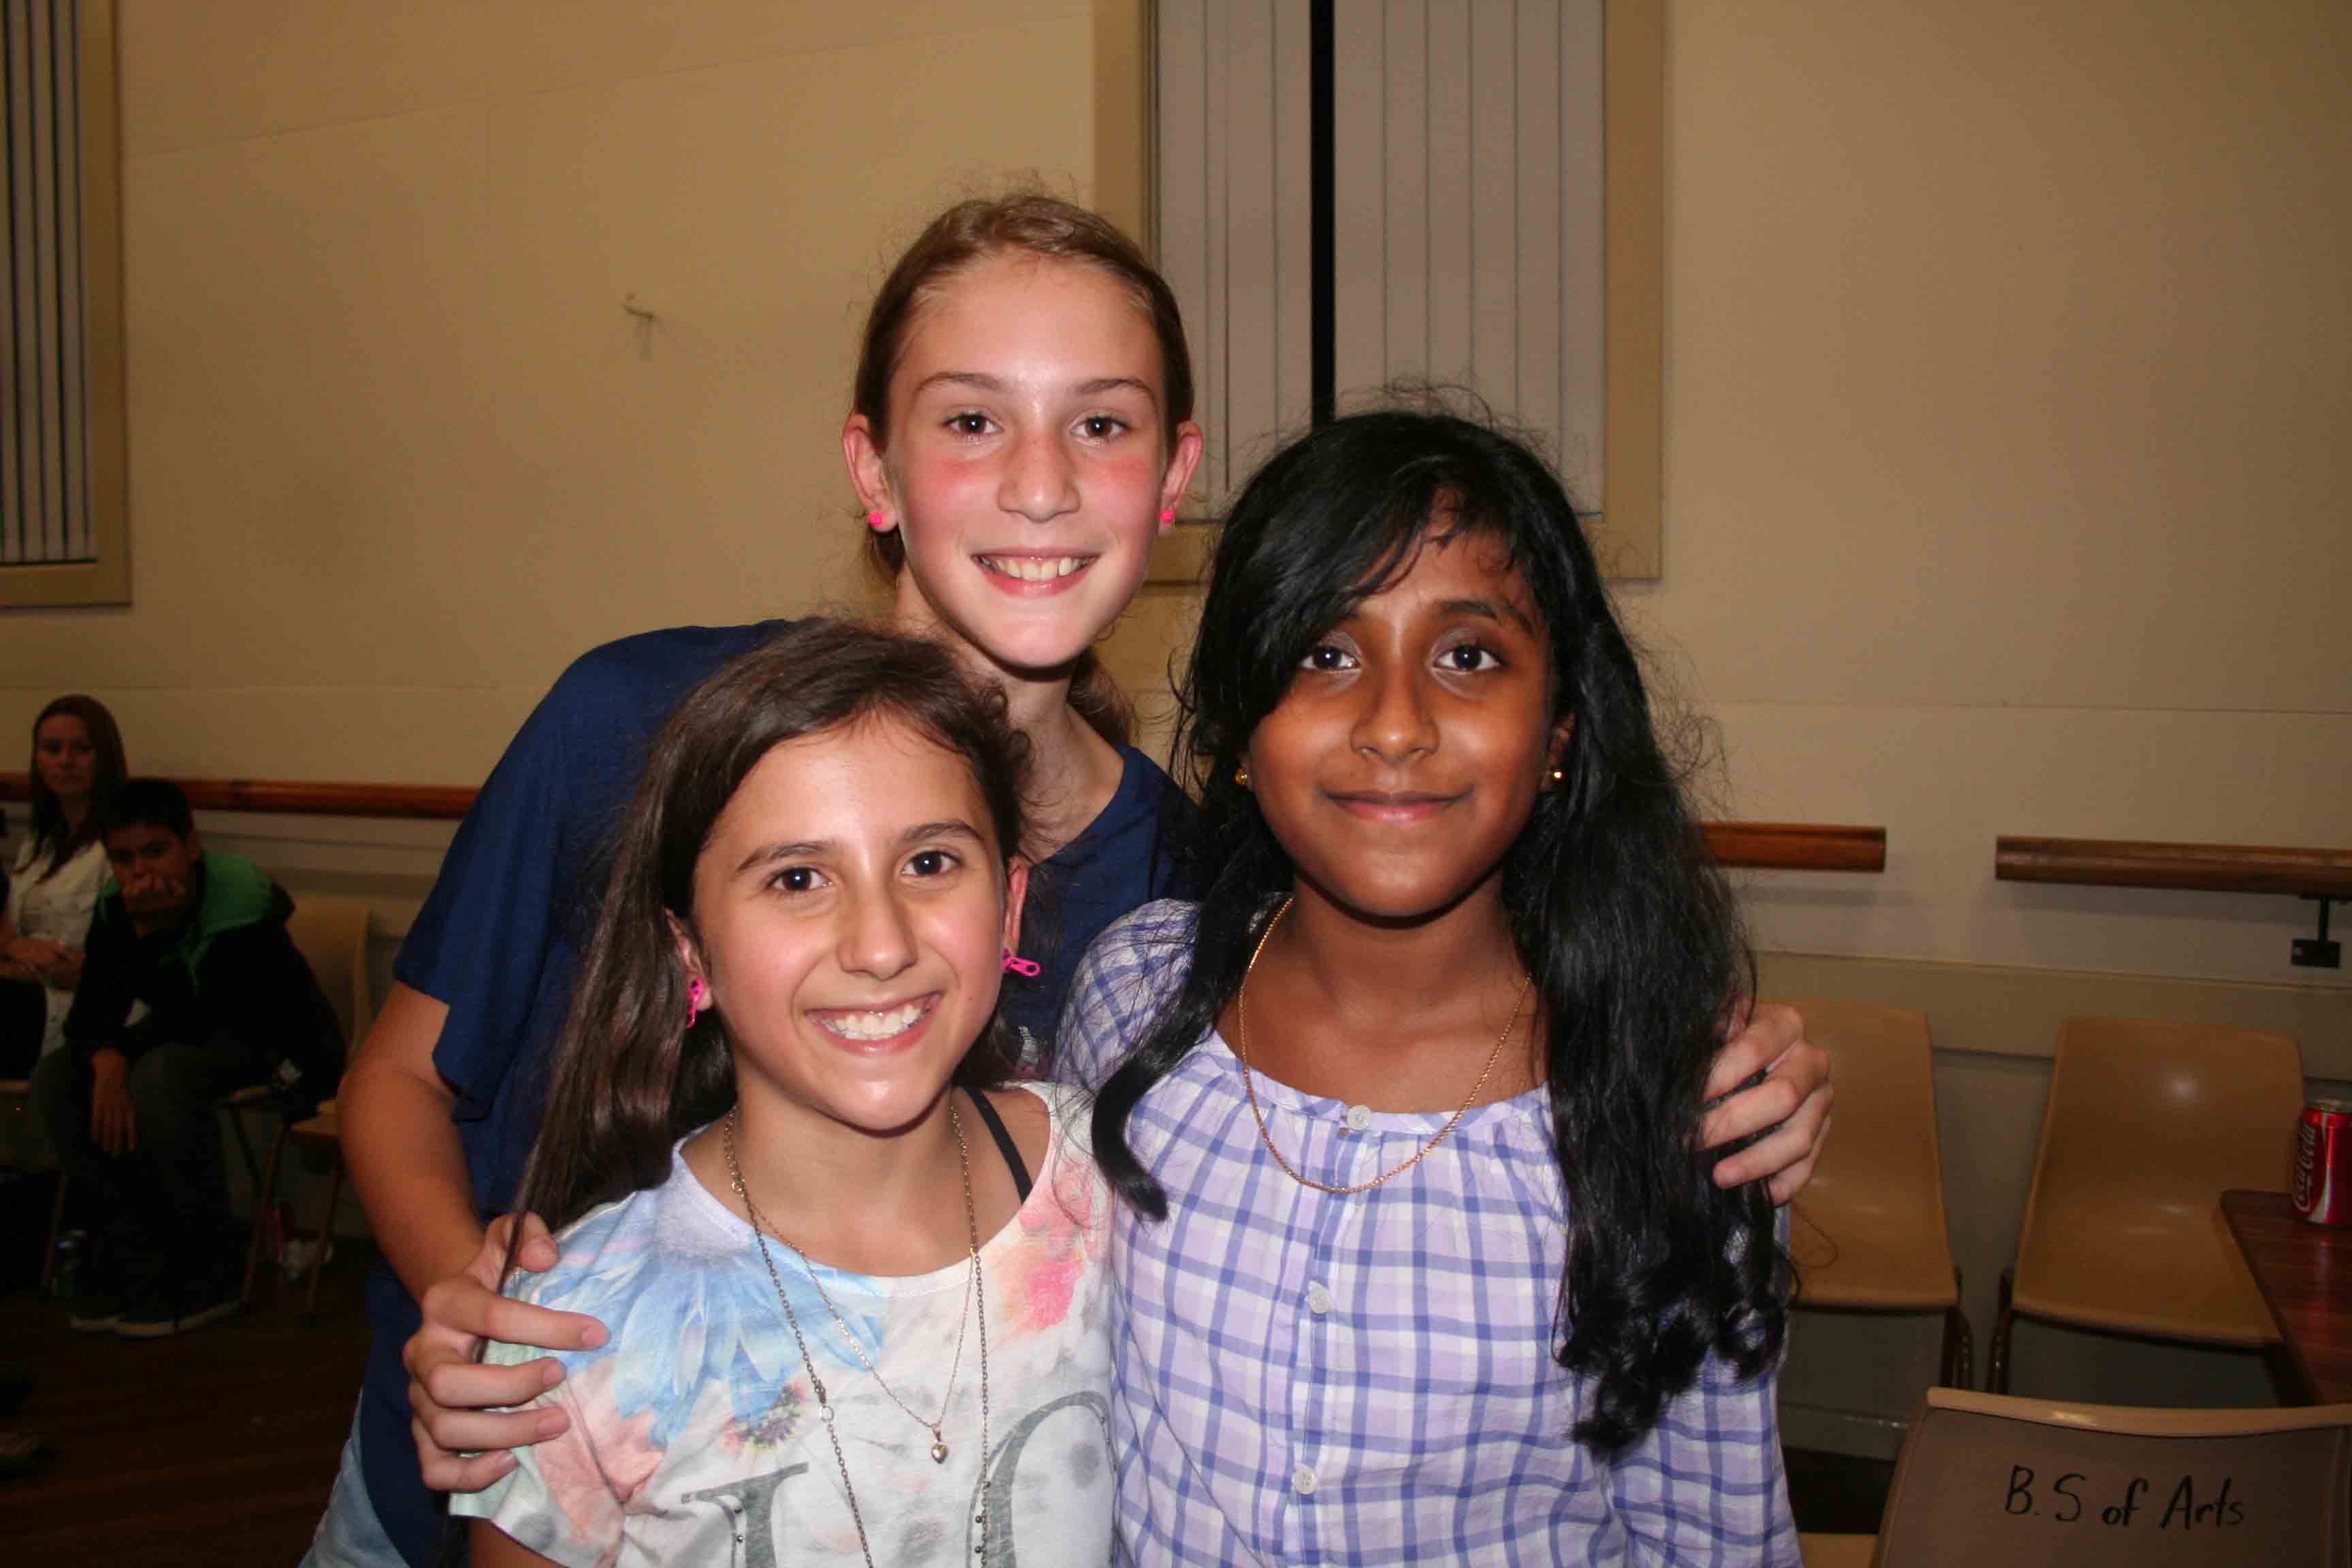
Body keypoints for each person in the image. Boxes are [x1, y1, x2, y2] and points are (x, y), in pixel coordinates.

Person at [318, 195, 1829, 1566]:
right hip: (492, 1467)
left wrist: (1693, 1049)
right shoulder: (635, 724)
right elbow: (398, 1081)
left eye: (1100, 425)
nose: (1039, 485)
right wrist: (489, 1324)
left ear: (1172, 479)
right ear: (874, 467)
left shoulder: (1182, 899)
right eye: (972, 420)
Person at [1065, 406, 1802, 1561]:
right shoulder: (1132, 997)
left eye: (1468, 656)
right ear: (1240, 731)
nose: (1397, 725)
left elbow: (1710, 1533)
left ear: (1560, 726)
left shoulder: (1672, 1110)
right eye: (1324, 653)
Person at [455, 621, 1115, 1565]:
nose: (880, 945)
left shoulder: (1111, 1190)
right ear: (692, 950)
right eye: (797, 879)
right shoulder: (577, 1326)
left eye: (930, 863)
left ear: (1008, 906)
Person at [31, 779, 343, 1338]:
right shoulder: (117, 906)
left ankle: (206, 1264)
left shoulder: (241, 897)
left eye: (156, 851)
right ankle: (129, 1249)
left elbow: (216, 1014)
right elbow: (92, 1015)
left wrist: (151, 935)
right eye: (124, 859)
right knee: (60, 1076)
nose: (142, 872)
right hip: (186, 1035)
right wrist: (106, 1057)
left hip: (282, 1043)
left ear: (191, 845)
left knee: (160, 1076)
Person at [1, 696, 126, 1075]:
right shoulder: (39, 841)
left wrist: (27, 963)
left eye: (81, 749)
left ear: (104, 757)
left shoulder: (122, 843)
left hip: (80, 1006)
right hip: (23, 990)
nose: (65, 761)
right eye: (52, 749)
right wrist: (13, 949)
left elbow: (105, 966)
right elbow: (12, 934)